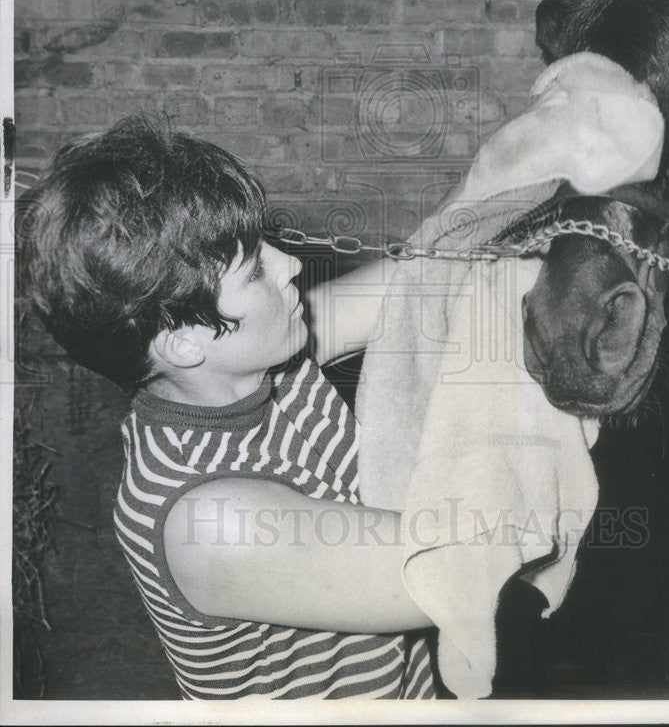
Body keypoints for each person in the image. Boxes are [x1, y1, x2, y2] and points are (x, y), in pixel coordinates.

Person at [19, 115, 436, 700]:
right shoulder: (208, 521)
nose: (289, 264)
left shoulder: (252, 363)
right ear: (183, 340)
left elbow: (422, 281)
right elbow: (456, 571)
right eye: (256, 269)